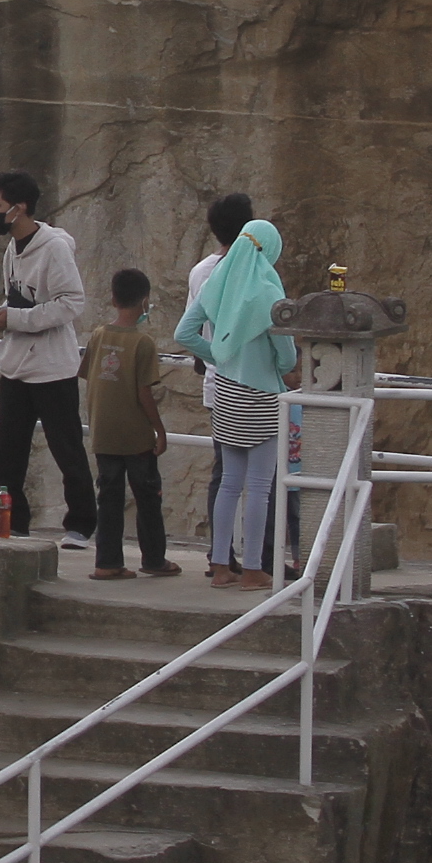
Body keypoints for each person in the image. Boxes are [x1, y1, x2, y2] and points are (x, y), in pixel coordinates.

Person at [176, 217, 296, 589]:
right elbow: (287, 358)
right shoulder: (269, 294)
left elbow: (184, 333)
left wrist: (218, 355)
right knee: (259, 486)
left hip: (226, 392)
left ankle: (220, 566)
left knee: (229, 482)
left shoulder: (218, 283)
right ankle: (255, 569)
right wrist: (276, 365)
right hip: (261, 395)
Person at [0, 171, 94, 546]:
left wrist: (17, 318)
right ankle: (14, 520)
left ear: (19, 207)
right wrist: (4, 314)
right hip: (16, 365)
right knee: (6, 452)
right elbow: (20, 298)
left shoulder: (55, 249)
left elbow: (72, 302)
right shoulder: (13, 248)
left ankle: (81, 524)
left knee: (66, 447)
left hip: (52, 368)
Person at [84, 269, 181, 580]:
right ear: (145, 301)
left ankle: (107, 562)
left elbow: (87, 374)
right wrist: (159, 430)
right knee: (148, 495)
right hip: (136, 436)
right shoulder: (143, 342)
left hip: (104, 432)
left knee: (108, 496)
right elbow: (144, 392)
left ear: (112, 299)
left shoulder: (99, 335)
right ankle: (154, 559)